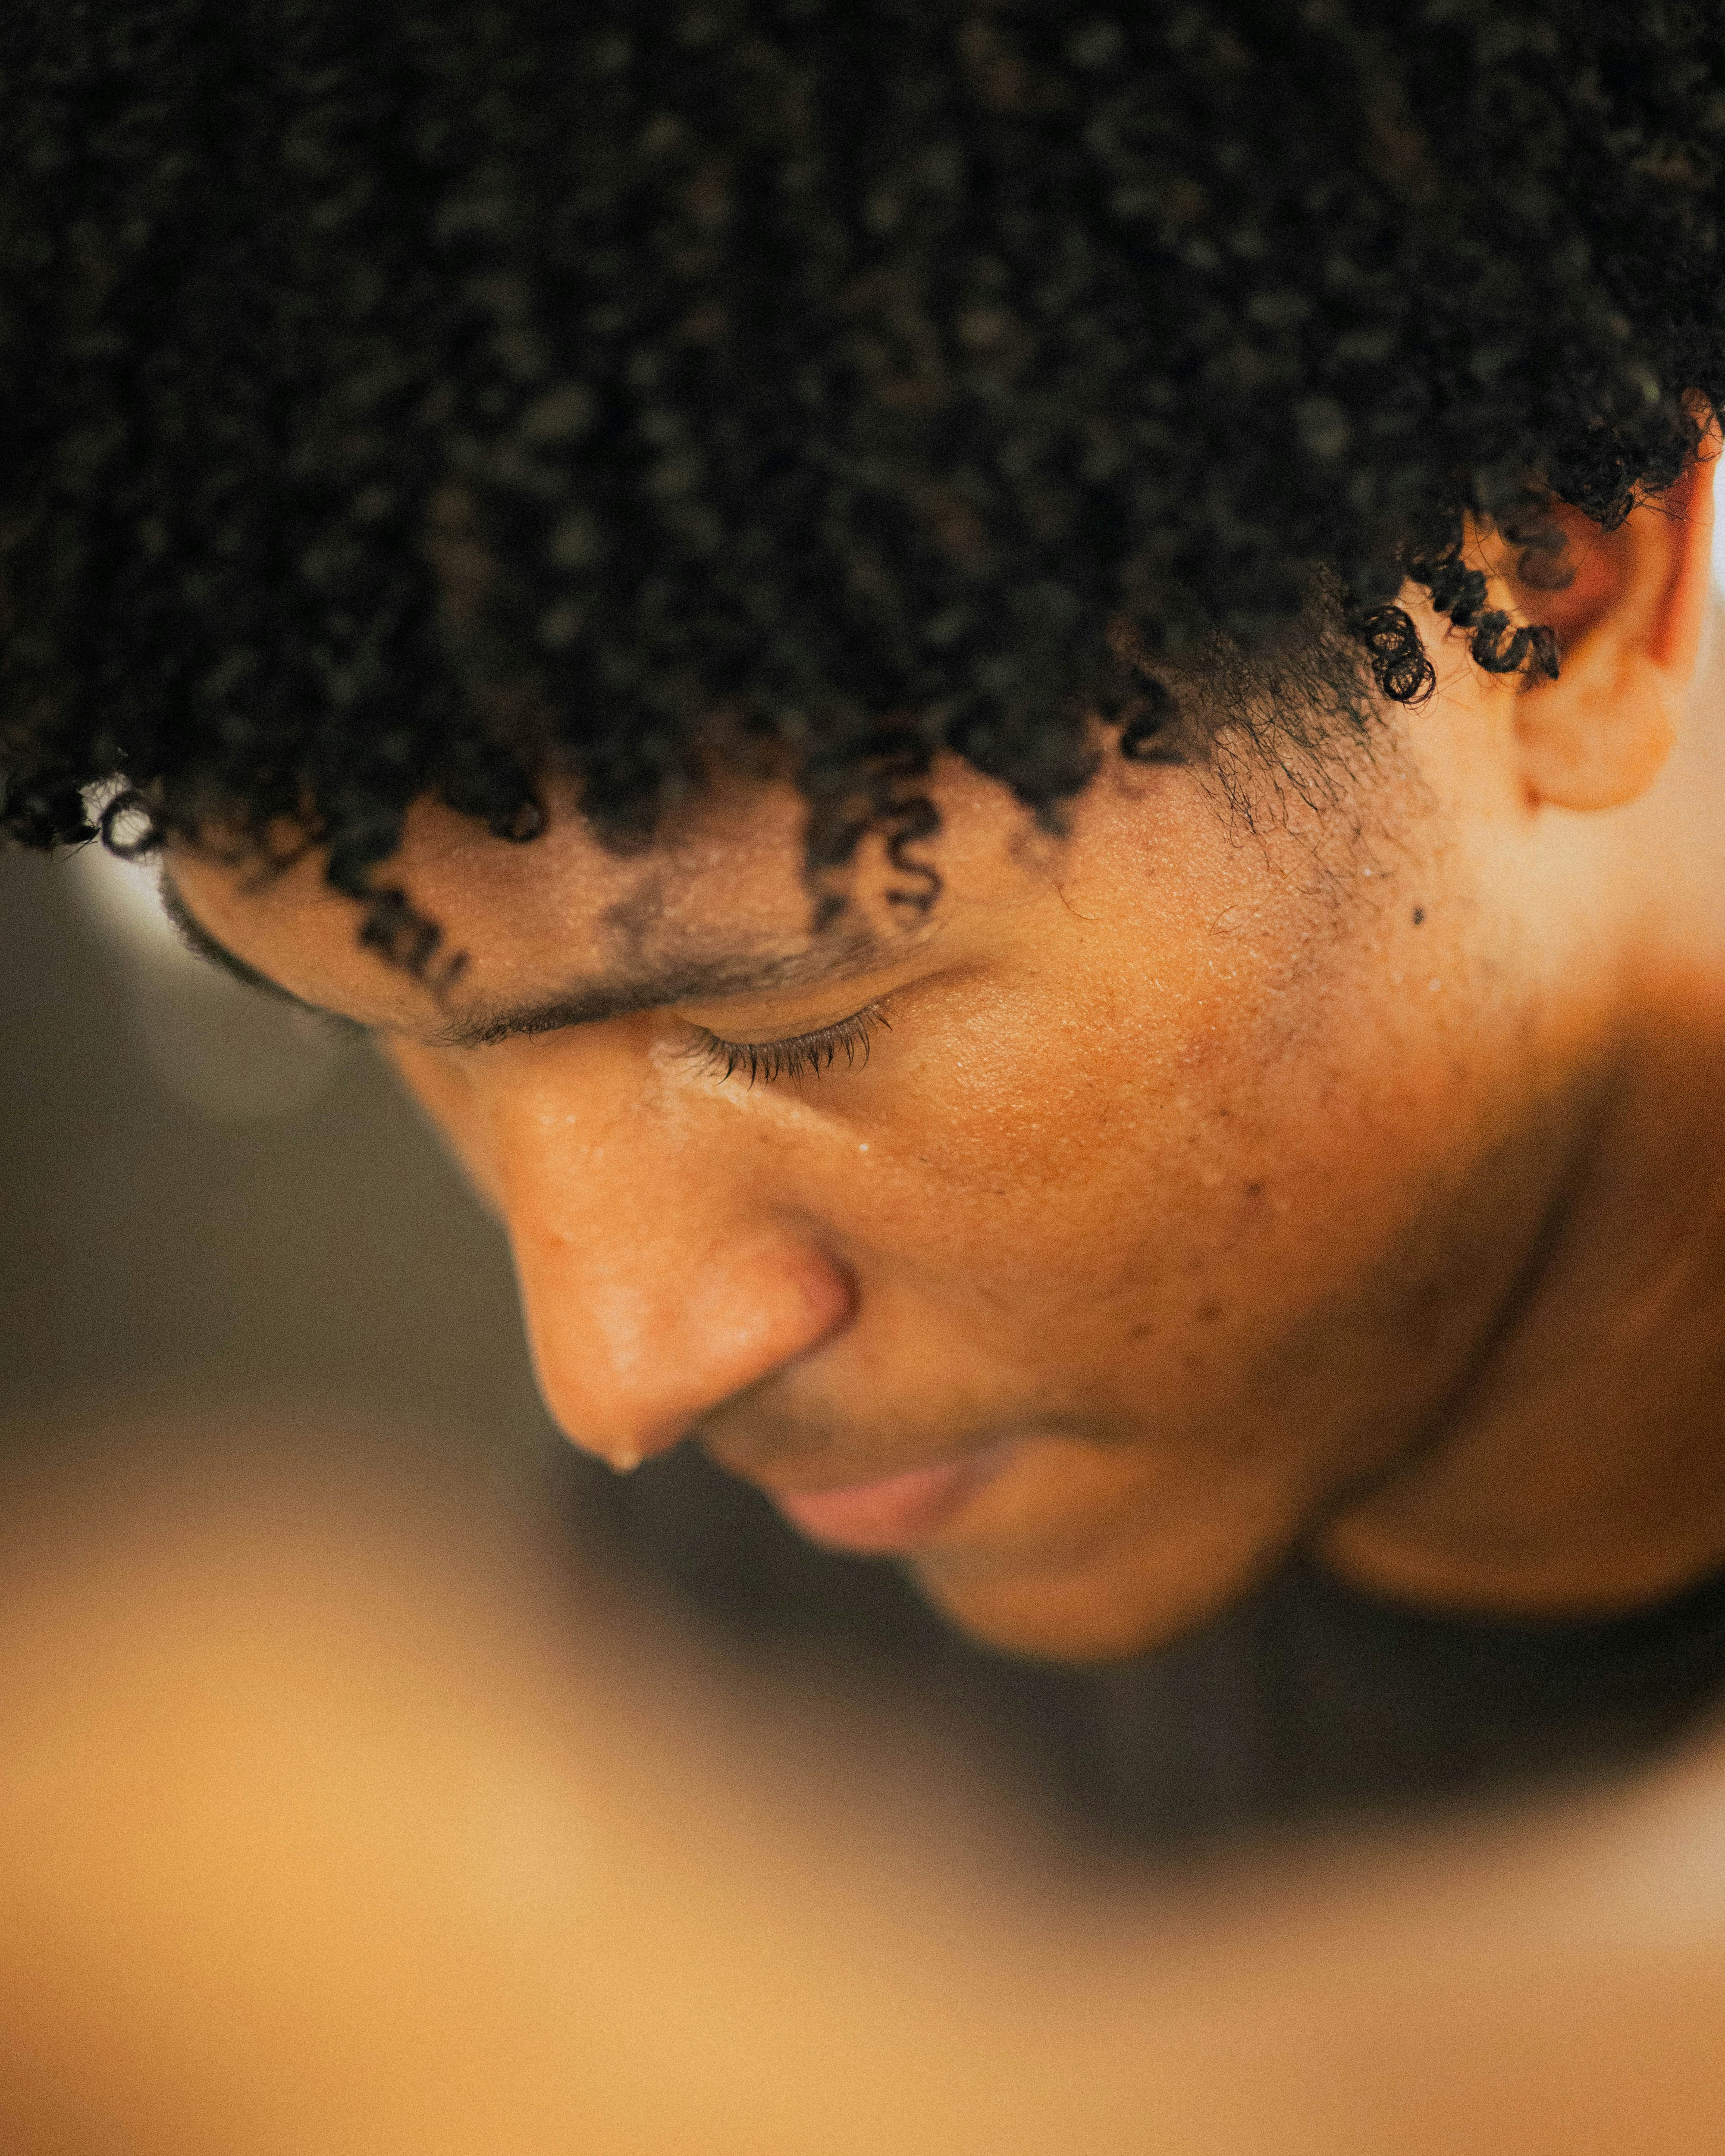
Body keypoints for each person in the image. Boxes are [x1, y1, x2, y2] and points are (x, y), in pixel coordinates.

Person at [5, 0, 1725, 1851]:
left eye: (793, 1030)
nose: (620, 1370)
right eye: (399, 1043)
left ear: (1556, 594)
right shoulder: (766, 1641)